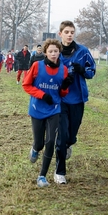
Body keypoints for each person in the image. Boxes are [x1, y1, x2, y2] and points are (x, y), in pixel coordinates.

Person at [22, 39, 74, 187]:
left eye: (56, 51)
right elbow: (26, 85)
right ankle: (35, 148)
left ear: (59, 53)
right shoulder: (37, 66)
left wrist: (65, 86)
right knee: (40, 142)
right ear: (45, 52)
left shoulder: (63, 69)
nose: (53, 54)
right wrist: (42, 95)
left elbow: (63, 93)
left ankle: (42, 176)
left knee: (50, 141)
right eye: (50, 51)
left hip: (54, 108)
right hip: (37, 108)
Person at [54, 20, 96, 184]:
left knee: (71, 136)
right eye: (66, 32)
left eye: (72, 32)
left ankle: (68, 144)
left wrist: (82, 70)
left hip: (78, 98)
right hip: (60, 98)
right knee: (62, 135)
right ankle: (60, 172)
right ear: (60, 34)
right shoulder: (54, 52)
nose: (69, 35)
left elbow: (92, 71)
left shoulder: (83, 51)